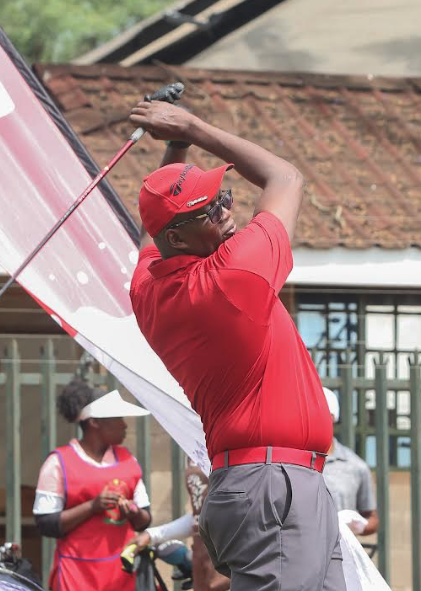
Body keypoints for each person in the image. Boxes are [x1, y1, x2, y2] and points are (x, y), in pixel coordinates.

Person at [128, 100, 343, 590]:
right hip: (274, 485)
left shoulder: (148, 289)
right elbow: (285, 178)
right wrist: (192, 128)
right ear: (181, 239)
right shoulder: (232, 274)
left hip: (261, 483)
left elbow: (148, 234)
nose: (227, 210)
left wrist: (175, 152)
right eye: (210, 210)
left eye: (222, 196)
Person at [33, 379, 153, 591]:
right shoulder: (58, 462)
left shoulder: (128, 461)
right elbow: (46, 523)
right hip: (76, 575)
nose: (125, 425)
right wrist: (92, 507)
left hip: (122, 575)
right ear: (94, 422)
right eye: (118, 418)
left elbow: (144, 520)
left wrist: (132, 512)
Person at [127, 458, 231, 591]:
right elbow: (200, 514)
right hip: (205, 565)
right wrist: (153, 535)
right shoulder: (192, 447)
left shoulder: (240, 446)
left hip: (235, 567)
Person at [320, 388, 378, 537]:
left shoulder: (355, 466)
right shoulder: (292, 463)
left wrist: (358, 526)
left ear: (332, 417)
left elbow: (372, 517)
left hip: (341, 555)